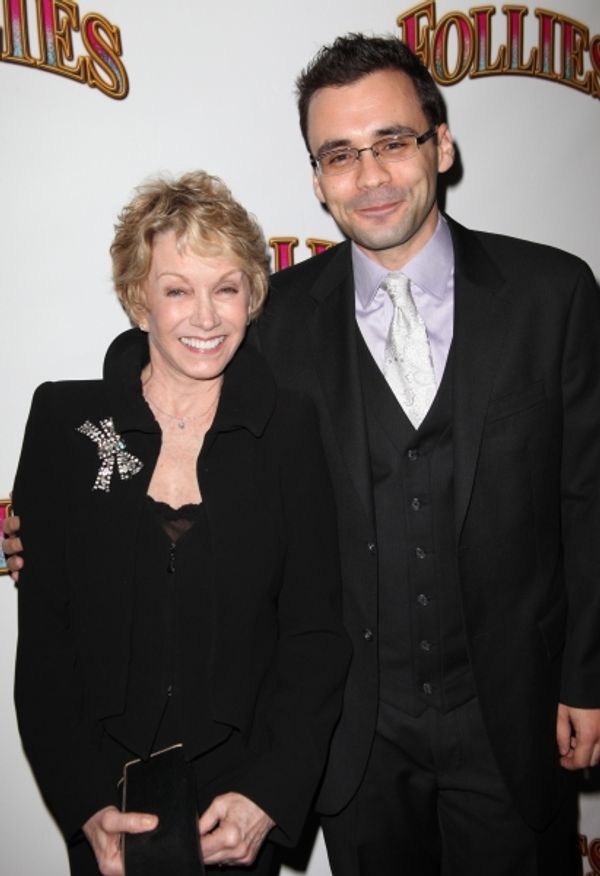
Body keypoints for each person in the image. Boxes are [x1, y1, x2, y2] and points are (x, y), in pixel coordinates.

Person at [5, 32, 600, 876]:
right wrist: (67, 486)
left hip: (513, 710)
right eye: (340, 155)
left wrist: (587, 674)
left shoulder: (555, 292)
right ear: (317, 180)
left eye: (393, 142)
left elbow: (588, 497)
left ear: (442, 142)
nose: (371, 175)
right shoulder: (277, 317)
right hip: (356, 738)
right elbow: (166, 351)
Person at [8, 170, 349, 876]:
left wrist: (268, 793)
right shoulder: (66, 423)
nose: (205, 316)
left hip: (237, 800)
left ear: (252, 296)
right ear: (140, 302)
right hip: (107, 796)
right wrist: (82, 802)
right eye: (176, 289)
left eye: (226, 287)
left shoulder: (290, 429)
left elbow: (314, 637)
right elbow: (46, 644)